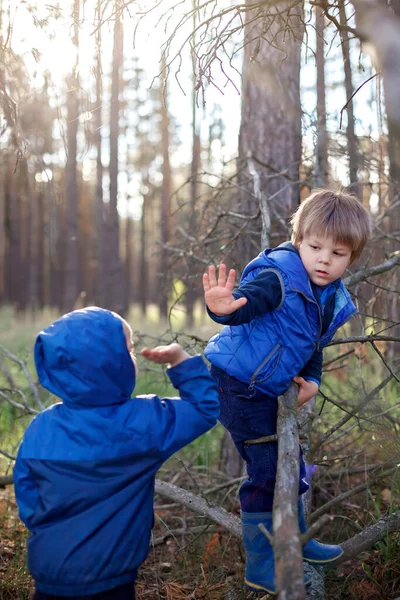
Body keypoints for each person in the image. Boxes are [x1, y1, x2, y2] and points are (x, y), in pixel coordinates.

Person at [203, 189, 371, 595]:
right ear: (299, 241)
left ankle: (296, 539)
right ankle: (261, 563)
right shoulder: (279, 276)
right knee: (265, 471)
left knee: (290, 463)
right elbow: (249, 303)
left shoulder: (330, 296)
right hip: (238, 385)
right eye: (315, 247)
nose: (325, 260)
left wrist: (312, 379)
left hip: (265, 386)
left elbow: (313, 343)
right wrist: (223, 308)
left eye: (338, 253)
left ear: (352, 258)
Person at [13, 307, 220, 600]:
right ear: (112, 363)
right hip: (112, 580)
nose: (133, 356)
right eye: (130, 350)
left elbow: (28, 495)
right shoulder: (145, 423)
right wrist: (180, 361)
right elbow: (203, 408)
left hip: (49, 575)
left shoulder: (40, 427)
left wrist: (50, 532)